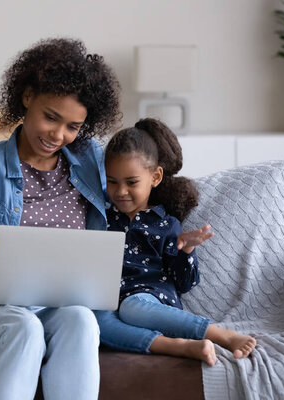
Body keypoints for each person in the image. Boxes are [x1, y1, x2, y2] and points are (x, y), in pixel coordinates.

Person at [0, 37, 121, 400]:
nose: (58, 136)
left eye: (73, 127)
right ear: (27, 97)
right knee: (23, 327)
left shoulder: (90, 158)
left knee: (81, 319)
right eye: (51, 117)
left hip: (52, 304)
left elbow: (126, 199)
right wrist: (24, 277)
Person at [94, 118, 256, 366]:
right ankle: (178, 347)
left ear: (155, 176)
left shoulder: (165, 224)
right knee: (95, 321)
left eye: (131, 182)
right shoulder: (101, 217)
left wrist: (186, 249)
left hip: (150, 300)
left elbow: (184, 282)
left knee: (131, 307)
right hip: (110, 302)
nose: (121, 191)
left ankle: (221, 335)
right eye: (112, 181)